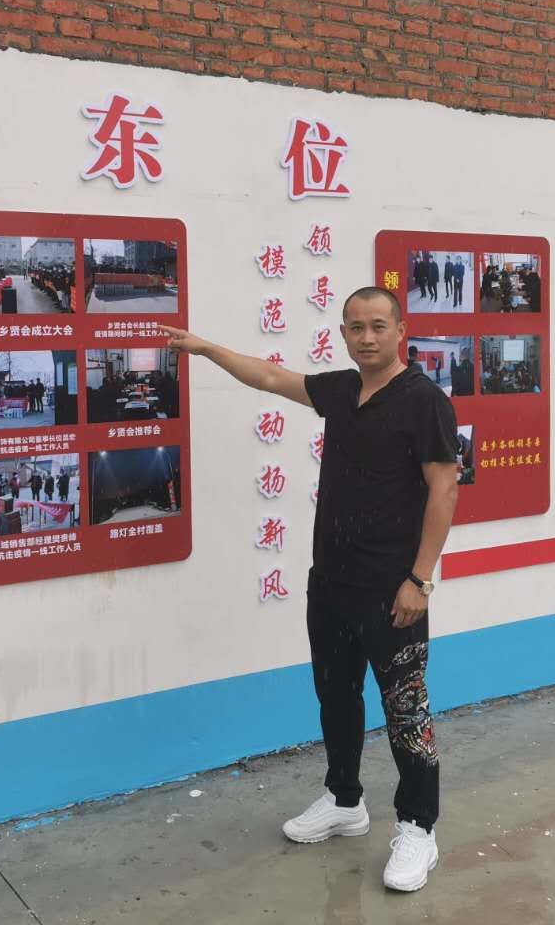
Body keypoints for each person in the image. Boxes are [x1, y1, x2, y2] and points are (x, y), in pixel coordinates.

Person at [161, 286, 459, 894]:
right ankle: (345, 801)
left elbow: (445, 488)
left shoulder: (424, 401)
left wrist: (420, 579)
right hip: (330, 584)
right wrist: (206, 348)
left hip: (393, 590)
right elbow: (272, 378)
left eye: (378, 326)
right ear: (343, 333)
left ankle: (418, 827)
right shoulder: (343, 391)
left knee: (406, 710)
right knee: (336, 698)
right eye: (356, 327)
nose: (367, 338)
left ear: (401, 330)